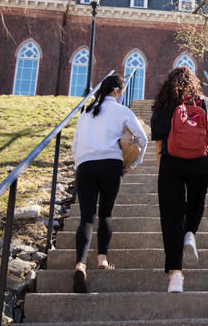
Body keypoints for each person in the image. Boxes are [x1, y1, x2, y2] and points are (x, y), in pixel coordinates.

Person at [150, 66, 208, 293]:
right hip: (199, 161)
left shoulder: (164, 105)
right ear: (194, 83)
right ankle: (190, 234)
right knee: (195, 202)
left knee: (171, 217)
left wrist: (162, 167)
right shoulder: (205, 103)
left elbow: (158, 144)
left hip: (170, 162)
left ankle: (175, 276)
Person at [71, 73, 148, 293]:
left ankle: (80, 264)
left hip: (85, 166)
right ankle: (102, 259)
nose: (122, 95)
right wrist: (132, 165)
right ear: (116, 91)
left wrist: (81, 163)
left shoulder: (86, 112)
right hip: (111, 165)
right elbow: (142, 139)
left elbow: (76, 145)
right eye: (122, 92)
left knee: (86, 217)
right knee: (105, 214)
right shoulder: (122, 111)